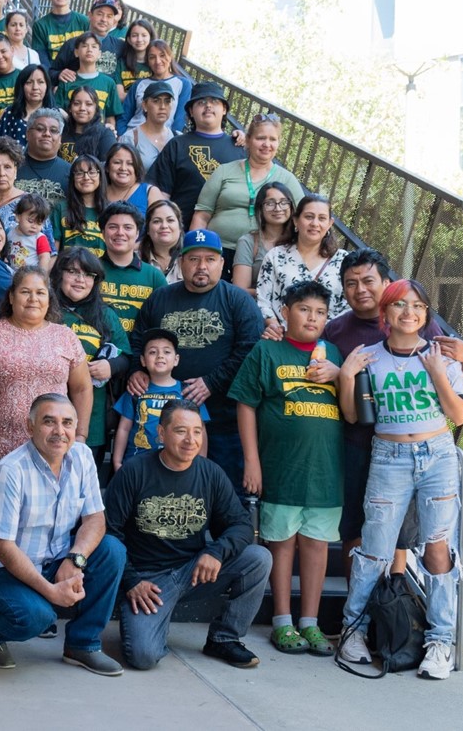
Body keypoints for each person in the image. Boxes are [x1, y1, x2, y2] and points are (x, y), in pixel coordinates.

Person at [337, 279, 463, 680]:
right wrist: (346, 377)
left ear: (426, 315)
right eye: (399, 306)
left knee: (436, 550)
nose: (408, 313)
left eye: (417, 307)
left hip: (437, 455)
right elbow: (353, 415)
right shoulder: (368, 358)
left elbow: (458, 415)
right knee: (375, 550)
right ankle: (352, 632)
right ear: (385, 314)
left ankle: (439, 641)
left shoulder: (441, 357)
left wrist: (437, 373)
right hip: (389, 456)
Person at [323, 249, 463, 581]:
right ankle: (360, 609)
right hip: (355, 443)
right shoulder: (335, 331)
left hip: (410, 451)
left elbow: (453, 363)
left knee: (400, 536)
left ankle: (391, 612)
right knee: (355, 530)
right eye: (351, 283)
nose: (360, 289)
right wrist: (341, 373)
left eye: (368, 281)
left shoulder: (415, 320)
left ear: (386, 284)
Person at [105, 399, 271, 671]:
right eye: (181, 430)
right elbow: (108, 532)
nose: (190, 440)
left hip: (193, 571)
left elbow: (240, 525)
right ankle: (153, 623)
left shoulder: (210, 473)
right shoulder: (134, 472)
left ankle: (224, 637)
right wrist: (131, 580)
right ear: (161, 433)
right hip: (147, 581)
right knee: (143, 657)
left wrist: (216, 551)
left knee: (258, 557)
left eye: (197, 431)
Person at [0, 393, 126, 676]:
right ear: (30, 428)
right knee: (36, 617)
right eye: (48, 422)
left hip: (54, 558)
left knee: (112, 550)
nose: (59, 431)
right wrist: (51, 591)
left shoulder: (82, 455)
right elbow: (3, 547)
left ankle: (83, 645)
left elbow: (95, 518)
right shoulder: (11, 470)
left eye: (67, 423)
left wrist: (75, 560)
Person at [230, 280, 343, 657]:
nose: (312, 318)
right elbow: (245, 404)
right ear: (285, 311)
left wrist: (341, 373)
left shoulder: (335, 356)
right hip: (281, 469)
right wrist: (252, 461)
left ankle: (309, 622)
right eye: (304, 309)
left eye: (320, 312)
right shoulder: (267, 352)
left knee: (316, 546)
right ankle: (282, 620)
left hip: (325, 472)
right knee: (281, 544)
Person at [129, 229, 263, 490]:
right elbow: (138, 339)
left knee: (222, 489)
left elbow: (250, 349)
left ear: (222, 264)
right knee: (168, 490)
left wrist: (212, 382)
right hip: (165, 421)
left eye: (210, 259)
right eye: (193, 259)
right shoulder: (161, 298)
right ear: (181, 263)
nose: (202, 266)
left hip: (224, 419)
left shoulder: (237, 300)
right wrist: (137, 369)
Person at [0, 268, 93, 492]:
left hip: (52, 447)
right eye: (25, 292)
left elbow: (82, 388)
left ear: (49, 298)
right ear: (11, 297)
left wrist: (80, 436)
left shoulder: (65, 336)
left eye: (40, 292)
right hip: (0, 447)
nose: (33, 299)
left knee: (45, 519)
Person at [191, 113, 305, 275]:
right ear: (248, 139)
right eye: (261, 138)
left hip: (262, 256)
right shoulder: (225, 171)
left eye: (273, 139)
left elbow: (302, 218)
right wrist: (194, 250)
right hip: (216, 250)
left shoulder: (287, 179)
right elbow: (202, 216)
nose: (267, 144)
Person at [51, 249, 130, 466]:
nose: (80, 280)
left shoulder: (106, 314)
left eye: (88, 275)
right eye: (73, 272)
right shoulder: (45, 309)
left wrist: (110, 365)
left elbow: (127, 356)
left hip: (92, 419)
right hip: (48, 413)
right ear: (59, 274)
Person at [112, 328, 209, 471]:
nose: (160, 356)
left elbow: (201, 430)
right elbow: (124, 428)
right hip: (138, 465)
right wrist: (117, 462)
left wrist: (201, 463)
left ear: (176, 359)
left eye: (167, 351)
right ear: (143, 360)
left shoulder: (188, 392)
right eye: (152, 352)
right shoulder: (135, 391)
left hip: (179, 465)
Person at [146, 82, 240, 223]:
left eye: (214, 101)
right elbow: (159, 192)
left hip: (227, 234)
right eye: (201, 102)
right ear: (191, 111)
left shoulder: (239, 146)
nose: (208, 106)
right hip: (181, 231)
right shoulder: (177, 144)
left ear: (224, 109)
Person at [257, 194, 350, 332]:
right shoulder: (276, 256)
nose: (315, 223)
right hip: (282, 338)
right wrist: (276, 328)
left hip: (327, 341)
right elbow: (263, 300)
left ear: (330, 224)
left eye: (322, 218)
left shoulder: (343, 260)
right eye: (309, 217)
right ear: (296, 220)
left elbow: (348, 306)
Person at [98, 202, 168, 333]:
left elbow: (163, 321)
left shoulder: (154, 276)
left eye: (128, 227)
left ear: (137, 234)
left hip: (140, 350)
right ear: (102, 232)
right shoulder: (89, 271)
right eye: (113, 227)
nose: (120, 233)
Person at [231, 182, 297, 298]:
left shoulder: (300, 241)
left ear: (291, 207)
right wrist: (277, 293)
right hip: (255, 308)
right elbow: (240, 290)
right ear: (260, 208)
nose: (278, 208)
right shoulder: (248, 242)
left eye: (284, 202)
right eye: (270, 203)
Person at [117, 40, 193, 135]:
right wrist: (122, 136)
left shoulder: (182, 84)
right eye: (152, 57)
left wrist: (171, 142)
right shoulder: (139, 84)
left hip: (163, 139)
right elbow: (124, 116)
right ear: (148, 61)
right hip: (133, 136)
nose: (157, 61)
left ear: (170, 57)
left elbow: (180, 119)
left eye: (162, 55)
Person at [51, 0, 125, 85]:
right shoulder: (73, 44)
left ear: (114, 20)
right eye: (99, 14)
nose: (104, 19)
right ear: (90, 15)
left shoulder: (120, 46)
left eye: (109, 16)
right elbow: (51, 72)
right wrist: (59, 74)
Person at [54, 34, 123, 129]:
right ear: (76, 52)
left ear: (99, 54)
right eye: (84, 46)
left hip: (98, 135)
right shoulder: (67, 80)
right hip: (70, 133)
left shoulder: (109, 83)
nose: (89, 49)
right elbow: (56, 110)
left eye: (94, 47)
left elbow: (110, 117)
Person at [31, 0, 90, 70]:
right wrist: (55, 76)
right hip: (54, 77)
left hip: (81, 75)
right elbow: (42, 58)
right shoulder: (40, 25)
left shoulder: (84, 21)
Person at [53, 154, 107, 256]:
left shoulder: (109, 210)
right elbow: (53, 251)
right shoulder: (61, 208)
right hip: (68, 269)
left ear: (100, 176)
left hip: (101, 270)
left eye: (92, 172)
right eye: (79, 173)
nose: (86, 177)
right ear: (73, 178)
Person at [16, 109, 71, 207]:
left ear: (60, 139)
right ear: (27, 134)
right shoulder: (12, 168)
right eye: (40, 129)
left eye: (53, 131)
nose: (47, 134)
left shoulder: (71, 172)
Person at [0, 64, 54, 146]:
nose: (35, 87)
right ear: (21, 86)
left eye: (40, 82)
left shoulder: (56, 114)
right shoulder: (9, 113)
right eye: (29, 82)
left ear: (47, 86)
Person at [123, 79, 177, 172]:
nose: (162, 107)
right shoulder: (130, 138)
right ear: (144, 105)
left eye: (167, 101)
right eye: (156, 101)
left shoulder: (177, 137)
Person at [103, 140, 163, 218]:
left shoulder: (150, 192)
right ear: (107, 167)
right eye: (117, 162)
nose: (123, 168)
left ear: (137, 167)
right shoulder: (99, 191)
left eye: (130, 164)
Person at [58, 86, 117, 163]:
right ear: (70, 108)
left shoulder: (105, 135)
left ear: (96, 109)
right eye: (76, 103)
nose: (82, 108)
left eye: (88, 104)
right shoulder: (61, 131)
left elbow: (109, 166)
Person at [139, 198, 185, 284]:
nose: (164, 226)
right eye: (157, 221)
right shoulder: (135, 259)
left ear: (179, 227)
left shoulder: (190, 258)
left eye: (170, 220)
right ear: (148, 229)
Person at [6, 192, 53, 270]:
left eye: (39, 223)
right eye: (31, 221)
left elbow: (45, 258)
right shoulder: (9, 232)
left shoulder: (40, 238)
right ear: (18, 217)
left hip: (31, 276)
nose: (34, 226)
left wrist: (41, 276)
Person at [114, 19, 155, 90]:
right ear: (129, 39)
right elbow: (120, 95)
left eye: (144, 35)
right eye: (134, 35)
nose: (139, 39)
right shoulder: (121, 63)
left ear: (150, 38)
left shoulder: (155, 63)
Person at [1, 9, 42, 74]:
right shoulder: (1, 53)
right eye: (13, 25)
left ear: (26, 29)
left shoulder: (33, 54)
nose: (18, 28)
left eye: (21, 25)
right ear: (6, 29)